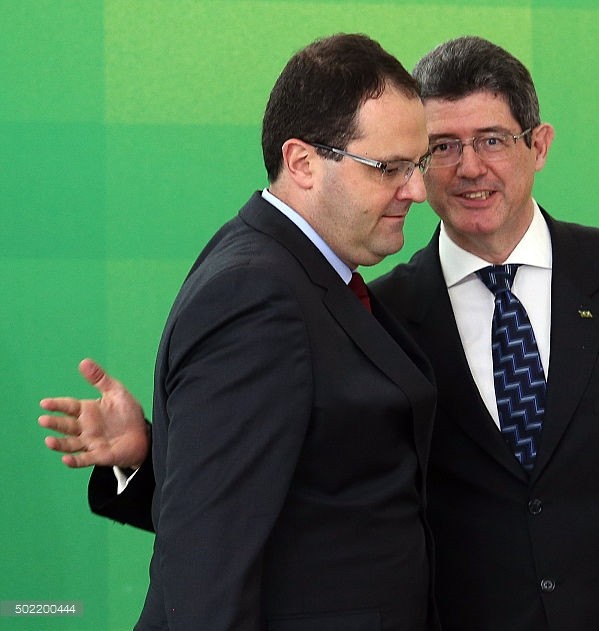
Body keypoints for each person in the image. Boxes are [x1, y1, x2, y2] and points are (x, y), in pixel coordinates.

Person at [41, 36, 599, 630]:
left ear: (540, 145)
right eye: (440, 147)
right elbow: (302, 500)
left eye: (494, 139)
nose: (469, 168)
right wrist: (156, 457)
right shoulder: (378, 311)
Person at [41, 33, 439, 630]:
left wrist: (155, 455)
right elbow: (207, 561)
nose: (417, 190)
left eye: (419, 165)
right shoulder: (256, 296)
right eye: (390, 168)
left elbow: (297, 490)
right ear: (303, 162)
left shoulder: (297, 272)